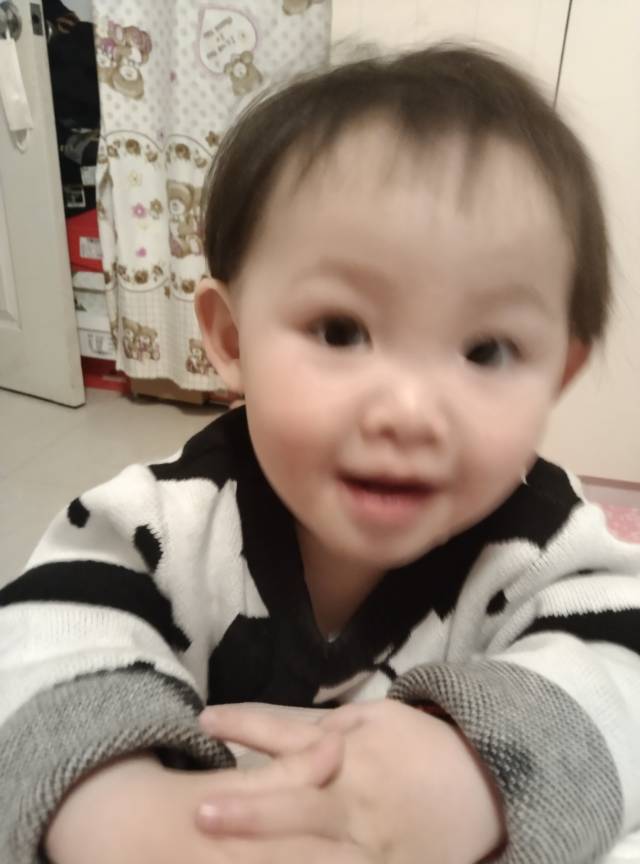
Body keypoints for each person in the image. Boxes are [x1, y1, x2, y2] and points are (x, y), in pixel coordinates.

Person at [2, 43, 640, 864]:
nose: (410, 412)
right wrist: (116, 812)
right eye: (341, 331)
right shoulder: (165, 521)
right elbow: (40, 640)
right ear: (233, 340)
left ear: (558, 373)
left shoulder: (546, 546)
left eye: (486, 350)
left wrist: (479, 775)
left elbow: (625, 673)